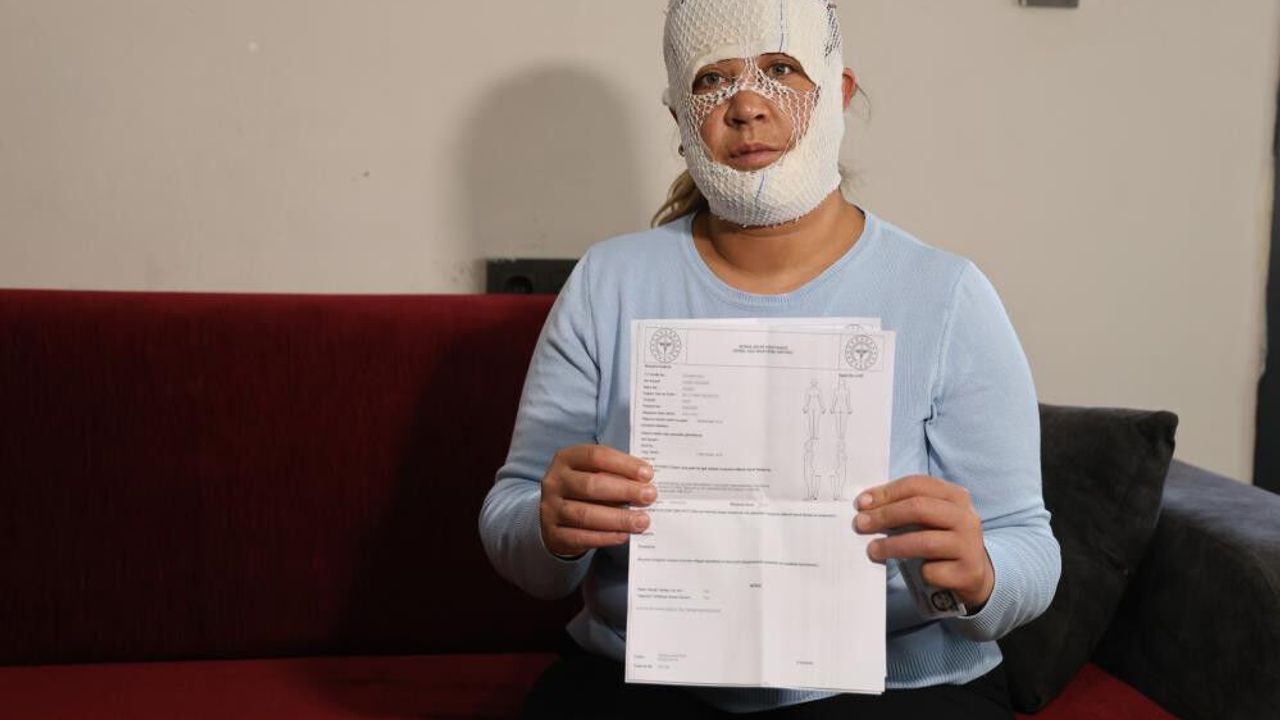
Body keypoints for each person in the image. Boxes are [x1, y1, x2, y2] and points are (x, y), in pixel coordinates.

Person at [479, 1, 1061, 717]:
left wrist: (978, 576)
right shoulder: (609, 283)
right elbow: (512, 518)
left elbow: (1029, 546)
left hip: (897, 684)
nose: (747, 105)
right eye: (711, 80)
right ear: (679, 116)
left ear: (838, 92)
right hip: (649, 676)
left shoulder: (945, 294)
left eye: (781, 70)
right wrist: (552, 527)